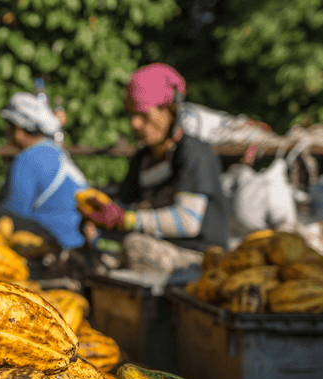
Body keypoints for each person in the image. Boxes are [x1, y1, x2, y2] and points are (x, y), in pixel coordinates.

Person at [85, 63, 229, 254]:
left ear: (170, 110)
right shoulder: (142, 159)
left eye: (143, 115)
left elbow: (188, 221)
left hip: (199, 255)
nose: (135, 123)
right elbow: (124, 201)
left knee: (133, 245)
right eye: (131, 114)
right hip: (160, 248)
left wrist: (127, 220)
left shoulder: (195, 153)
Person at [0, 91, 88, 253]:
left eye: (9, 126)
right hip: (80, 243)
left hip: (54, 247)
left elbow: (12, 215)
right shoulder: (54, 151)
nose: (7, 132)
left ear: (18, 129)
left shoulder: (26, 159)